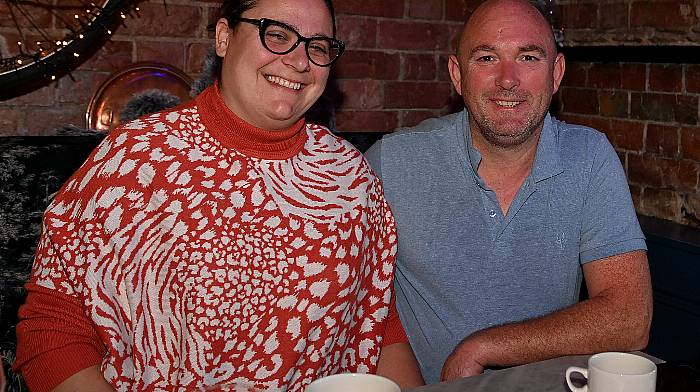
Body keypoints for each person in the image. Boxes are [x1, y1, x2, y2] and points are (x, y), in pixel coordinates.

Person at [13, 0, 422, 390]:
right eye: (277, 35)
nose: (299, 61)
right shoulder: (135, 161)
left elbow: (377, 320)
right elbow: (51, 328)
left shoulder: (350, 176)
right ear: (224, 37)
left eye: (317, 46)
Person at [364, 0, 652, 384]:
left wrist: (484, 347)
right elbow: (359, 310)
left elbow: (630, 317)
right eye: (486, 58)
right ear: (457, 74)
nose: (507, 79)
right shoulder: (391, 162)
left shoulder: (588, 157)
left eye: (529, 58)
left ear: (556, 73)